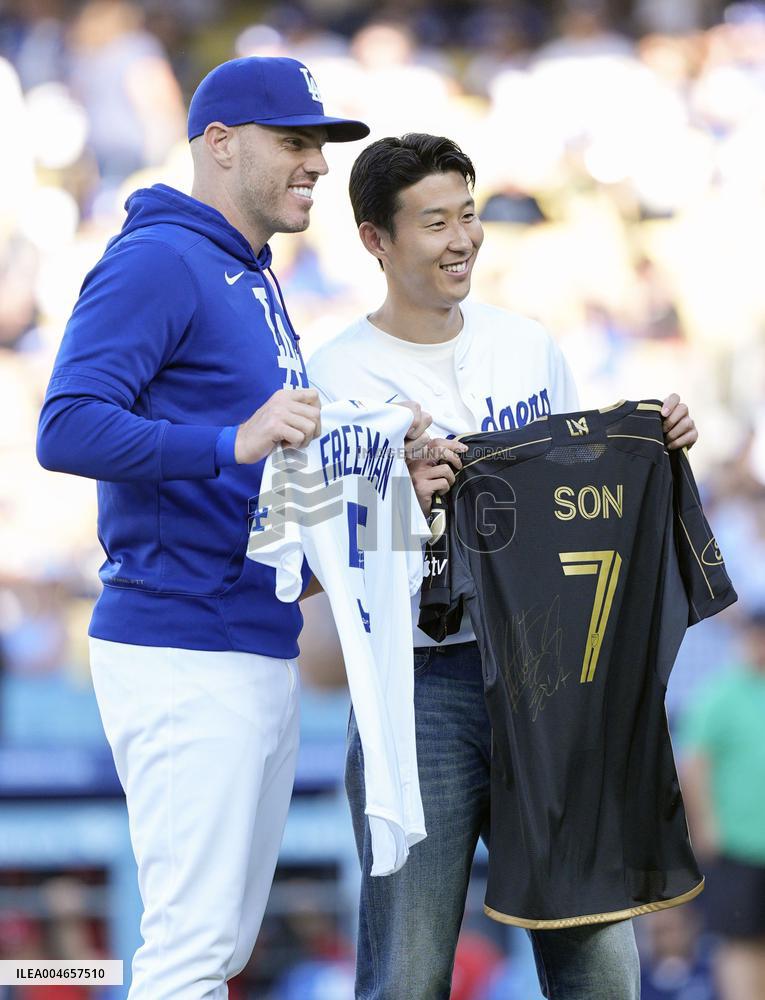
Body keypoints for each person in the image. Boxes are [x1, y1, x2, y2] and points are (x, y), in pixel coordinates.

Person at [307, 133, 699, 1000]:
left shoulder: (527, 343)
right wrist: (402, 496)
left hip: (550, 674)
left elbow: (573, 501)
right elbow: (324, 566)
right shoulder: (331, 377)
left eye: (469, 215)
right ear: (375, 239)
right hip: (417, 688)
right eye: (434, 221)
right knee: (406, 973)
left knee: (598, 964)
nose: (461, 239)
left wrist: (650, 443)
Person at [36, 56, 370, 999]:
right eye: (294, 141)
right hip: (181, 641)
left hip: (246, 638)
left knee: (216, 954)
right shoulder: (158, 257)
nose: (315, 162)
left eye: (320, 144)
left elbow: (251, 493)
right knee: (188, 954)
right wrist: (231, 438)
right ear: (221, 144)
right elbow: (65, 425)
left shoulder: (248, 274)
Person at [679, 607, 765, 1000]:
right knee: (738, 942)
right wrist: (705, 827)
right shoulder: (721, 695)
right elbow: (694, 764)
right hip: (737, 844)